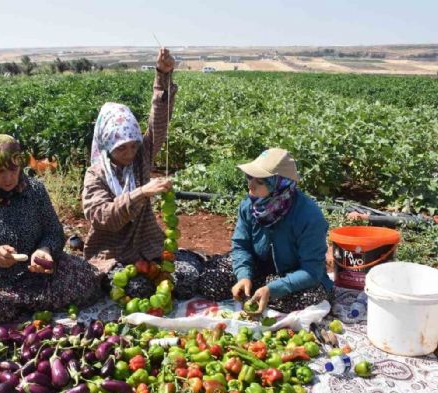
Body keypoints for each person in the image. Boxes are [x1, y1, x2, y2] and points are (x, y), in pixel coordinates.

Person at [0, 134, 103, 327]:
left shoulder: (34, 190)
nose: (8, 178)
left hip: (34, 276)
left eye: (13, 169)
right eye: (0, 171)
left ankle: (17, 307)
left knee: (88, 280)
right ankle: (30, 304)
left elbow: (54, 232)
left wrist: (44, 250)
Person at [199, 148, 333, 313]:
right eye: (249, 177)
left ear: (280, 184)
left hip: (293, 274)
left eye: (260, 181)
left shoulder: (309, 216)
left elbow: (312, 271)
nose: (250, 185)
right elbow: (241, 245)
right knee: (211, 283)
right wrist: (243, 275)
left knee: (308, 297)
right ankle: (256, 288)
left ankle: (263, 291)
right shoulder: (250, 205)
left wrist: (274, 288)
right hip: (258, 269)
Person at [82, 48, 176, 273]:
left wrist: (162, 75)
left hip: (149, 246)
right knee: (134, 286)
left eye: (134, 145)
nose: (130, 152)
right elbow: (105, 217)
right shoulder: (96, 175)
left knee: (184, 277)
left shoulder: (139, 158)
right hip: (110, 255)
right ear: (107, 146)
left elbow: (159, 125)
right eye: (122, 148)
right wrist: (142, 192)